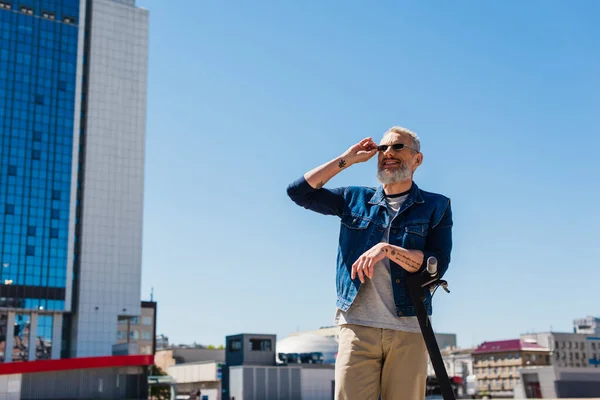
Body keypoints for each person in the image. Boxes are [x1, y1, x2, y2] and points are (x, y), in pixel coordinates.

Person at [286, 126, 453, 400]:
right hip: (357, 326)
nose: (388, 153)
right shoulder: (354, 200)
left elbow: (435, 265)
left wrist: (387, 249)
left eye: (398, 147)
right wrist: (347, 159)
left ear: (417, 159)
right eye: (383, 148)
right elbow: (300, 193)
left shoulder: (436, 206)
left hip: (409, 326)